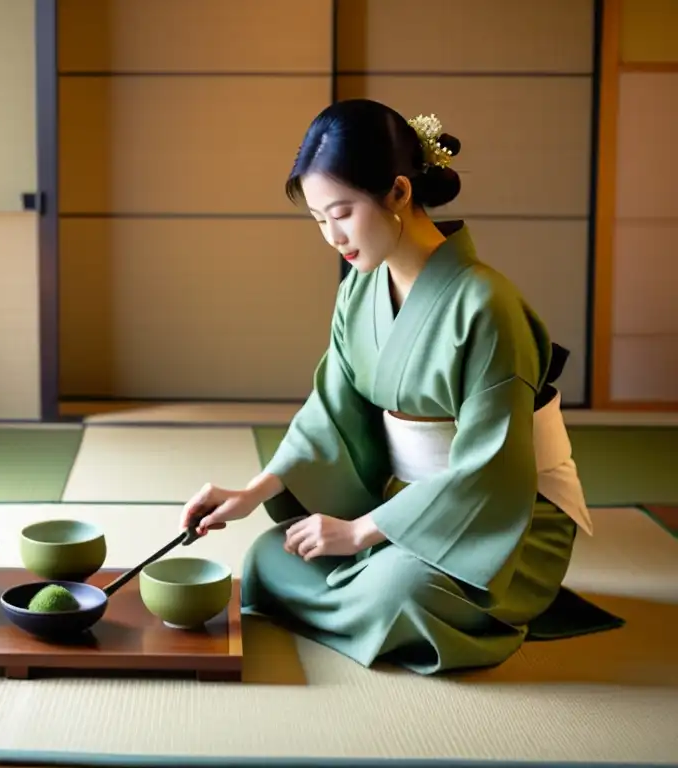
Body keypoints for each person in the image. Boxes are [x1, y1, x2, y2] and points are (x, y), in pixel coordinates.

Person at [179, 99, 623, 675]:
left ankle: (404, 594)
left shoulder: (487, 306)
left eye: (341, 212)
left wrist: (362, 530)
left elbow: (492, 468)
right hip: (402, 505)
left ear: (398, 193)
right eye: (318, 220)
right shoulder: (359, 292)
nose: (332, 236)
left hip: (501, 522)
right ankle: (373, 588)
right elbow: (331, 413)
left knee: (401, 591)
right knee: (269, 557)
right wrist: (252, 493)